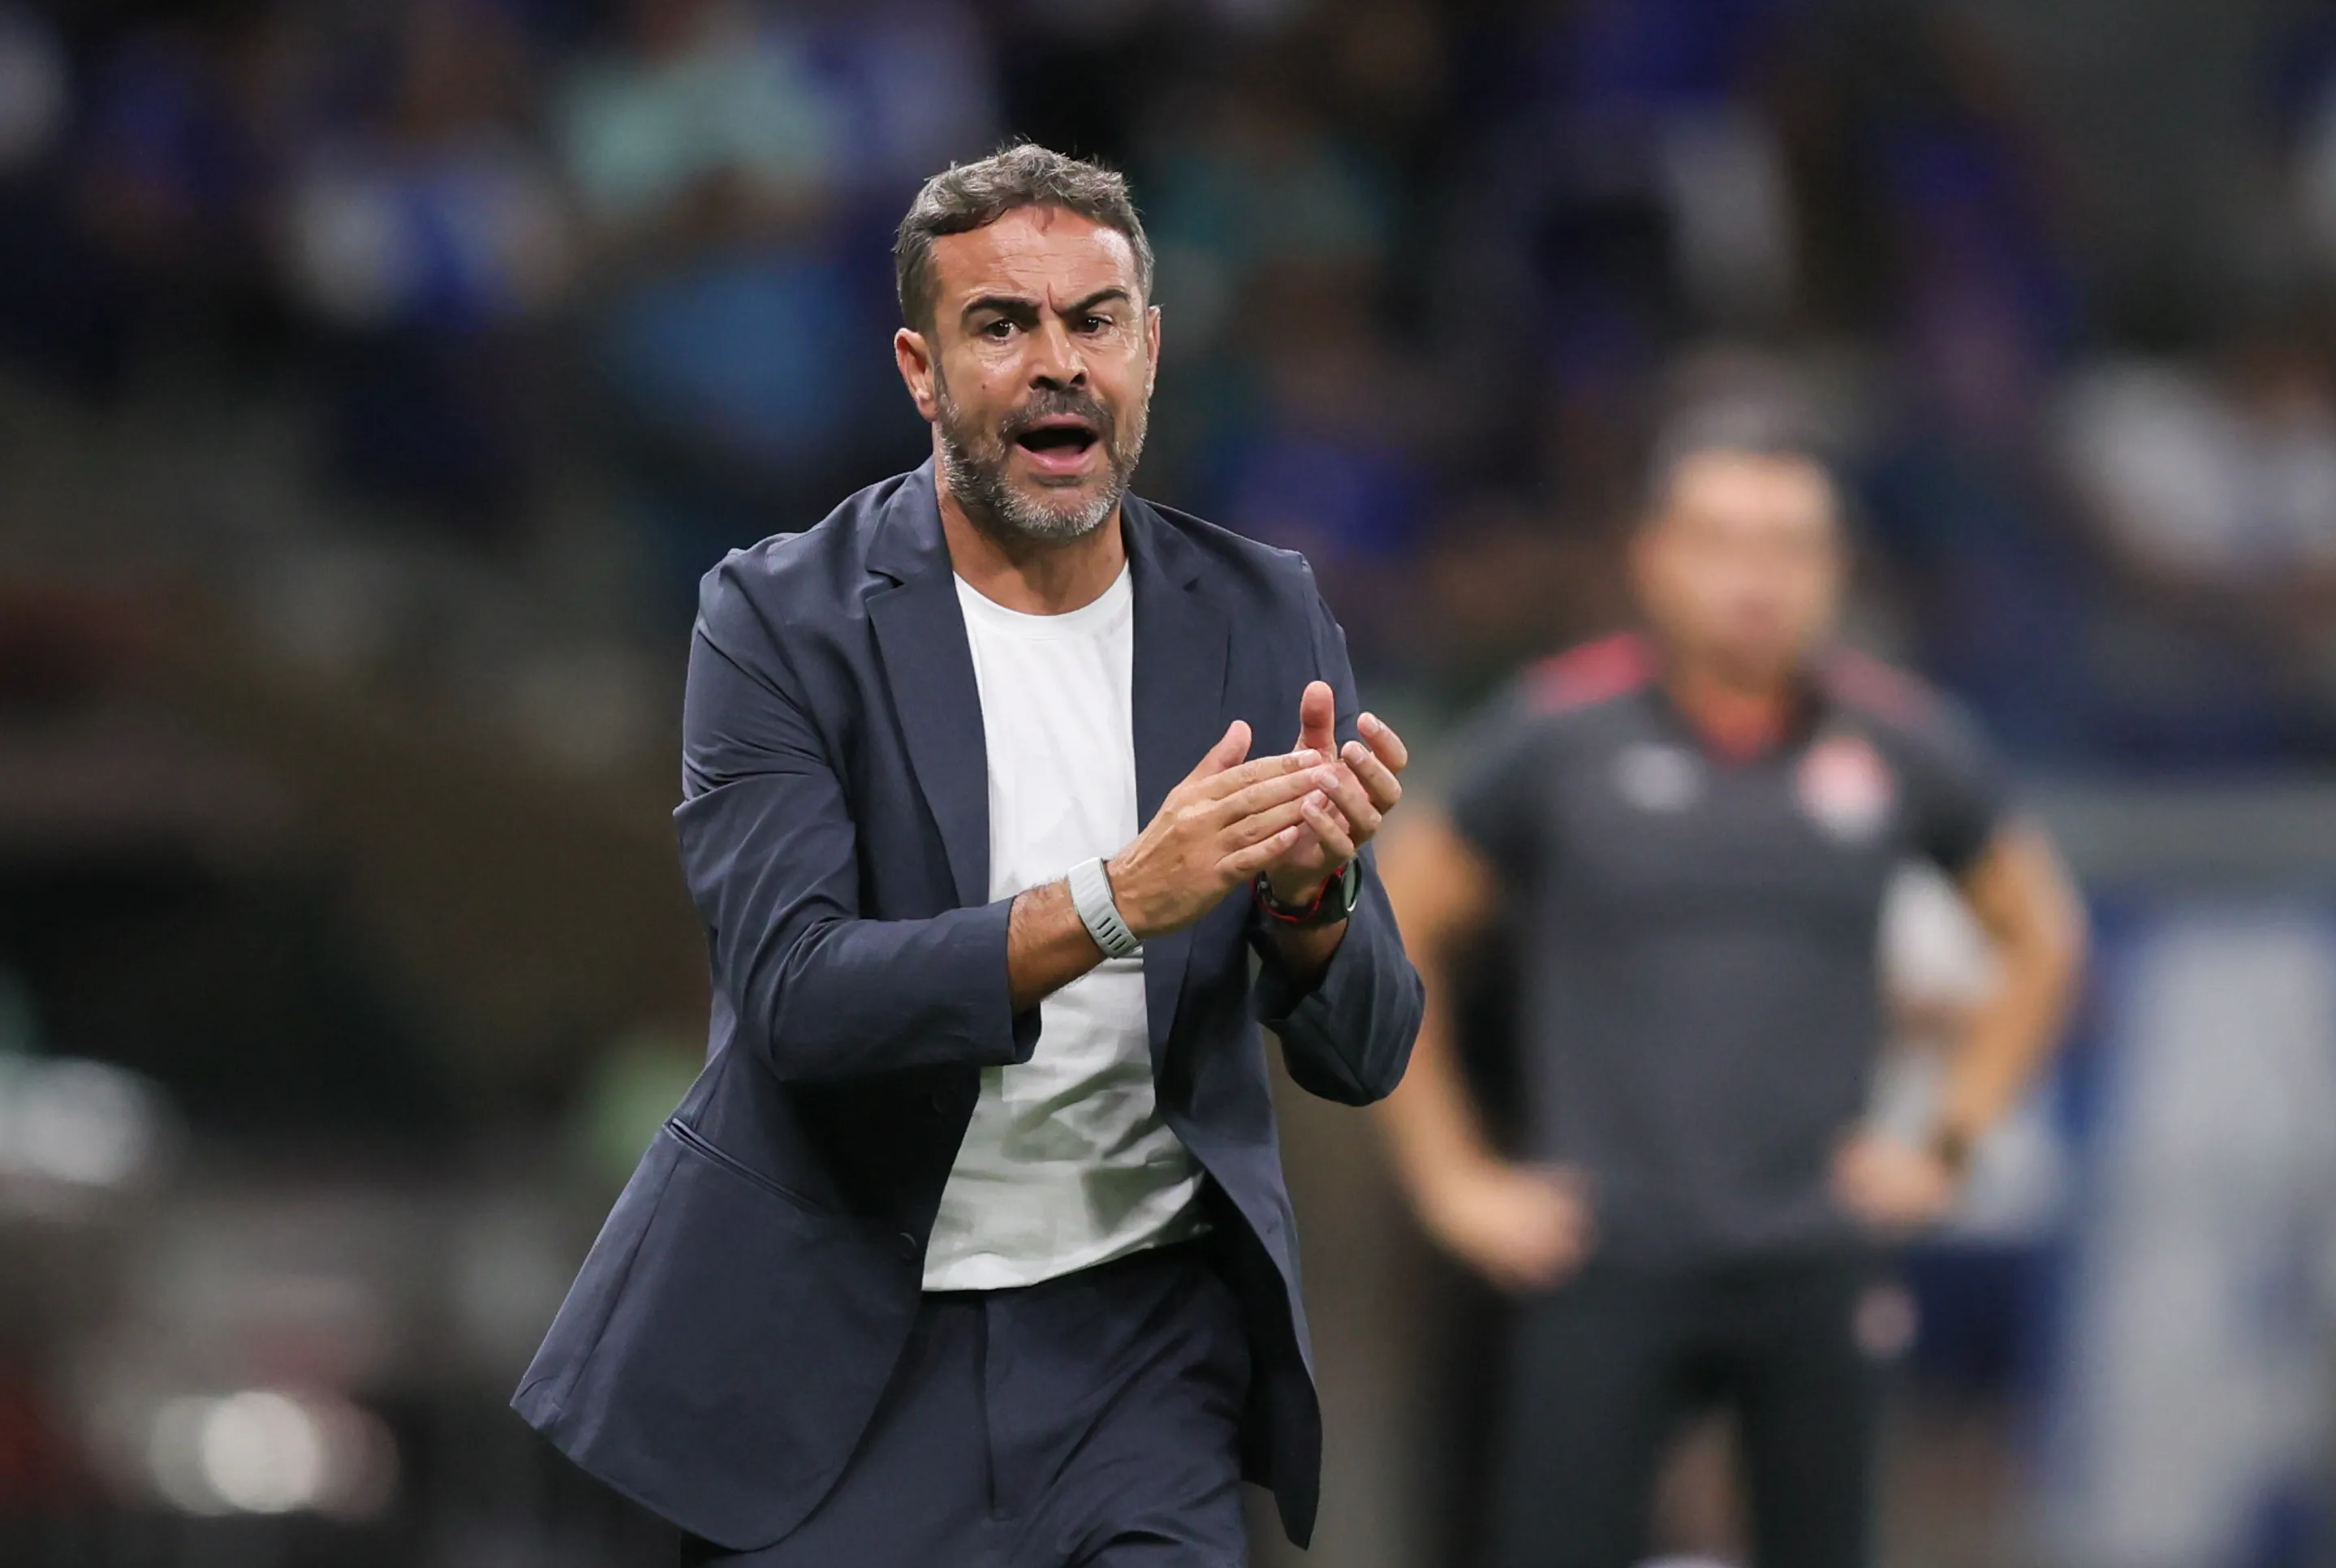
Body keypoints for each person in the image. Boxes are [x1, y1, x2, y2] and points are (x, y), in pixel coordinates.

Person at [511, 144, 1424, 1566]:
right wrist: (1121, 903)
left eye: (1094, 321)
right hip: (845, 1356)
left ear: (1151, 350)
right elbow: (801, 1000)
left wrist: (1314, 901)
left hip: (1144, 1357)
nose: (1057, 363)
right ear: (921, 369)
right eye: (1002, 325)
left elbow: (1367, 1051)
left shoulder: (1264, 611)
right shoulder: (777, 623)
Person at [1377, 398, 2088, 1568]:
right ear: (1652, 559)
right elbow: (1396, 914)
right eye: (1719, 541)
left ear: (1837, 571)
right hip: (1604, 1253)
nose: (1754, 578)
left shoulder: (1901, 742)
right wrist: (1453, 1177)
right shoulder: (1560, 735)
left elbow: (2043, 940)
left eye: (1788, 546)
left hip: (1816, 1251)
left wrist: (1945, 1144)